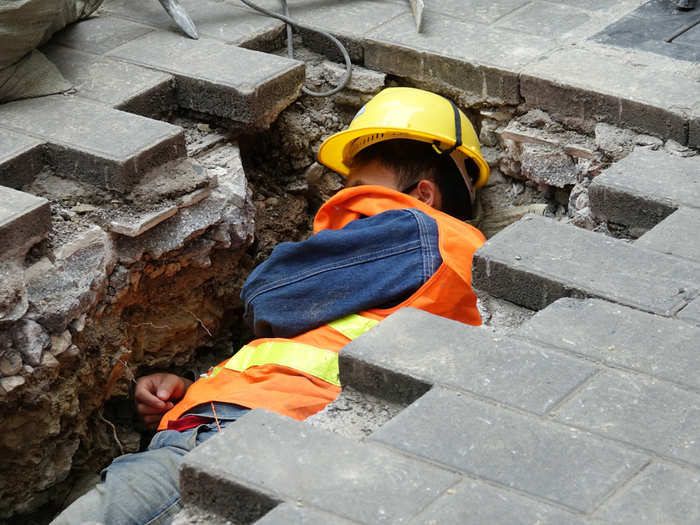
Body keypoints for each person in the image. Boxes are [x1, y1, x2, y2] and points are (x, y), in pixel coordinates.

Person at [51, 86, 490, 525]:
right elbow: (311, 348)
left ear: (424, 195)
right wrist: (195, 387)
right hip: (229, 428)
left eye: (357, 189)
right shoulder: (427, 275)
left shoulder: (421, 229)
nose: (339, 200)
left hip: (235, 436)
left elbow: (270, 294)